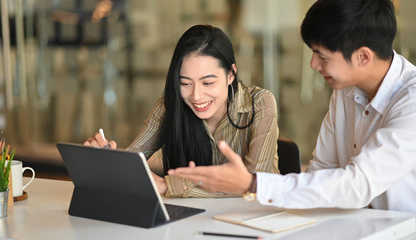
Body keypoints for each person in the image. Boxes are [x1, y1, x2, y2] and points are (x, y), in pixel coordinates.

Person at [168, 0, 416, 213]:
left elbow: (357, 184)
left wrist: (252, 184)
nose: (313, 64)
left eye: (323, 56)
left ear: (363, 56)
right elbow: (321, 171)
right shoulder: (345, 91)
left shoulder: (411, 102)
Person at [84, 24, 280, 198]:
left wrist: (166, 186)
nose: (196, 96)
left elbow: (255, 182)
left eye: (208, 82)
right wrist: (106, 159)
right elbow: (133, 162)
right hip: (193, 219)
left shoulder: (260, 103)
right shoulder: (170, 106)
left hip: (253, 220)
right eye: (185, 83)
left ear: (231, 74)